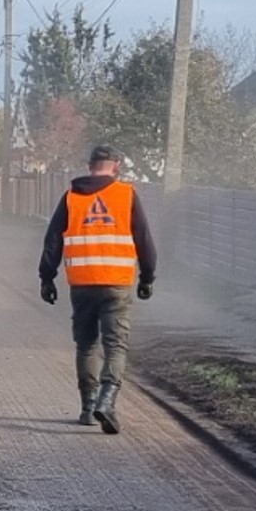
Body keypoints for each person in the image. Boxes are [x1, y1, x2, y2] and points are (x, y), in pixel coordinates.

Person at [37, 143, 157, 434]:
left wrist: (46, 277)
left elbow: (53, 239)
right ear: (116, 165)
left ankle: (89, 408)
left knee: (87, 344)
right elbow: (143, 237)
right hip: (116, 283)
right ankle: (107, 399)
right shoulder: (126, 194)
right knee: (115, 345)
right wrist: (147, 276)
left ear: (90, 165)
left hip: (82, 284)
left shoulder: (71, 197)